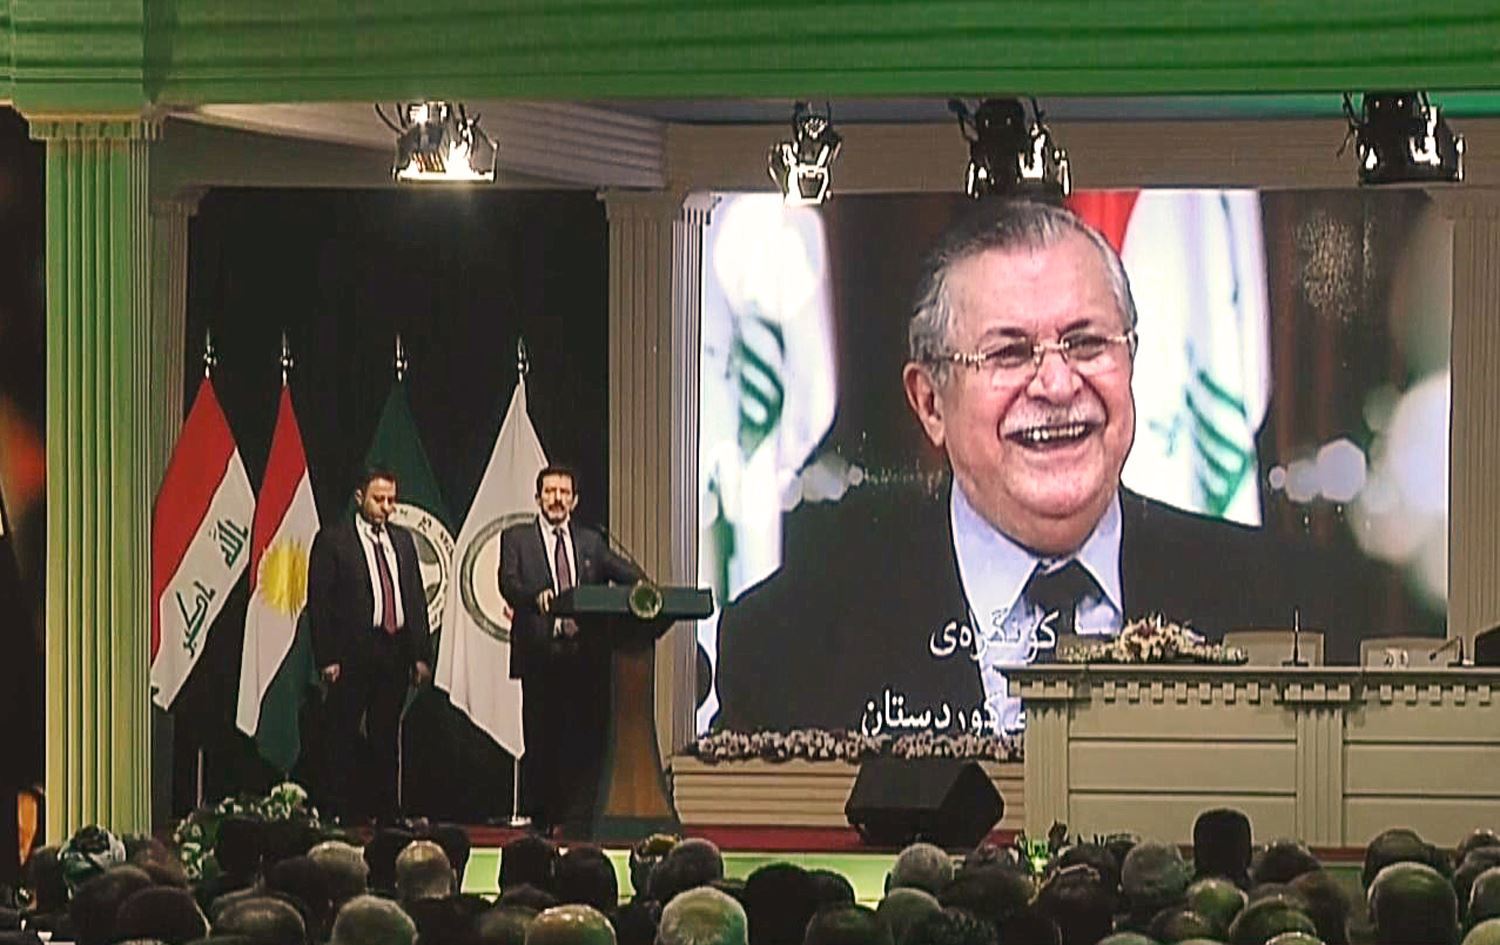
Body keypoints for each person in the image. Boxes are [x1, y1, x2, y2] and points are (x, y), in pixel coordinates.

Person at [717, 199, 1319, 735]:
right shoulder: (792, 642)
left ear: (1131, 359)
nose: (1058, 384)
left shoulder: (1278, 607)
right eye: (1009, 353)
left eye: (1086, 343)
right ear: (931, 403)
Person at [500, 465, 644, 831]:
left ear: (575, 500)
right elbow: (508, 583)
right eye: (550, 492)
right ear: (537, 498)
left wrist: (645, 590)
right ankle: (543, 820)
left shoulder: (591, 542)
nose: (557, 499)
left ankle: (578, 818)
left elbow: (630, 575)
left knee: (581, 741)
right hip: (540, 654)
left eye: (564, 492)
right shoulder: (517, 538)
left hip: (584, 658)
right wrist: (534, 597)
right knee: (541, 739)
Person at [307, 466, 432, 824]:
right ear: (360, 497)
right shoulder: (334, 540)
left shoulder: (402, 541)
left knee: (386, 735)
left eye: (391, 500)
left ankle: (388, 814)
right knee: (342, 733)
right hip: (352, 653)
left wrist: (421, 655)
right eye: (379, 499)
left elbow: (414, 599)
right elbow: (320, 602)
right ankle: (338, 812)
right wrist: (327, 657)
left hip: (394, 650)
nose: (386, 507)